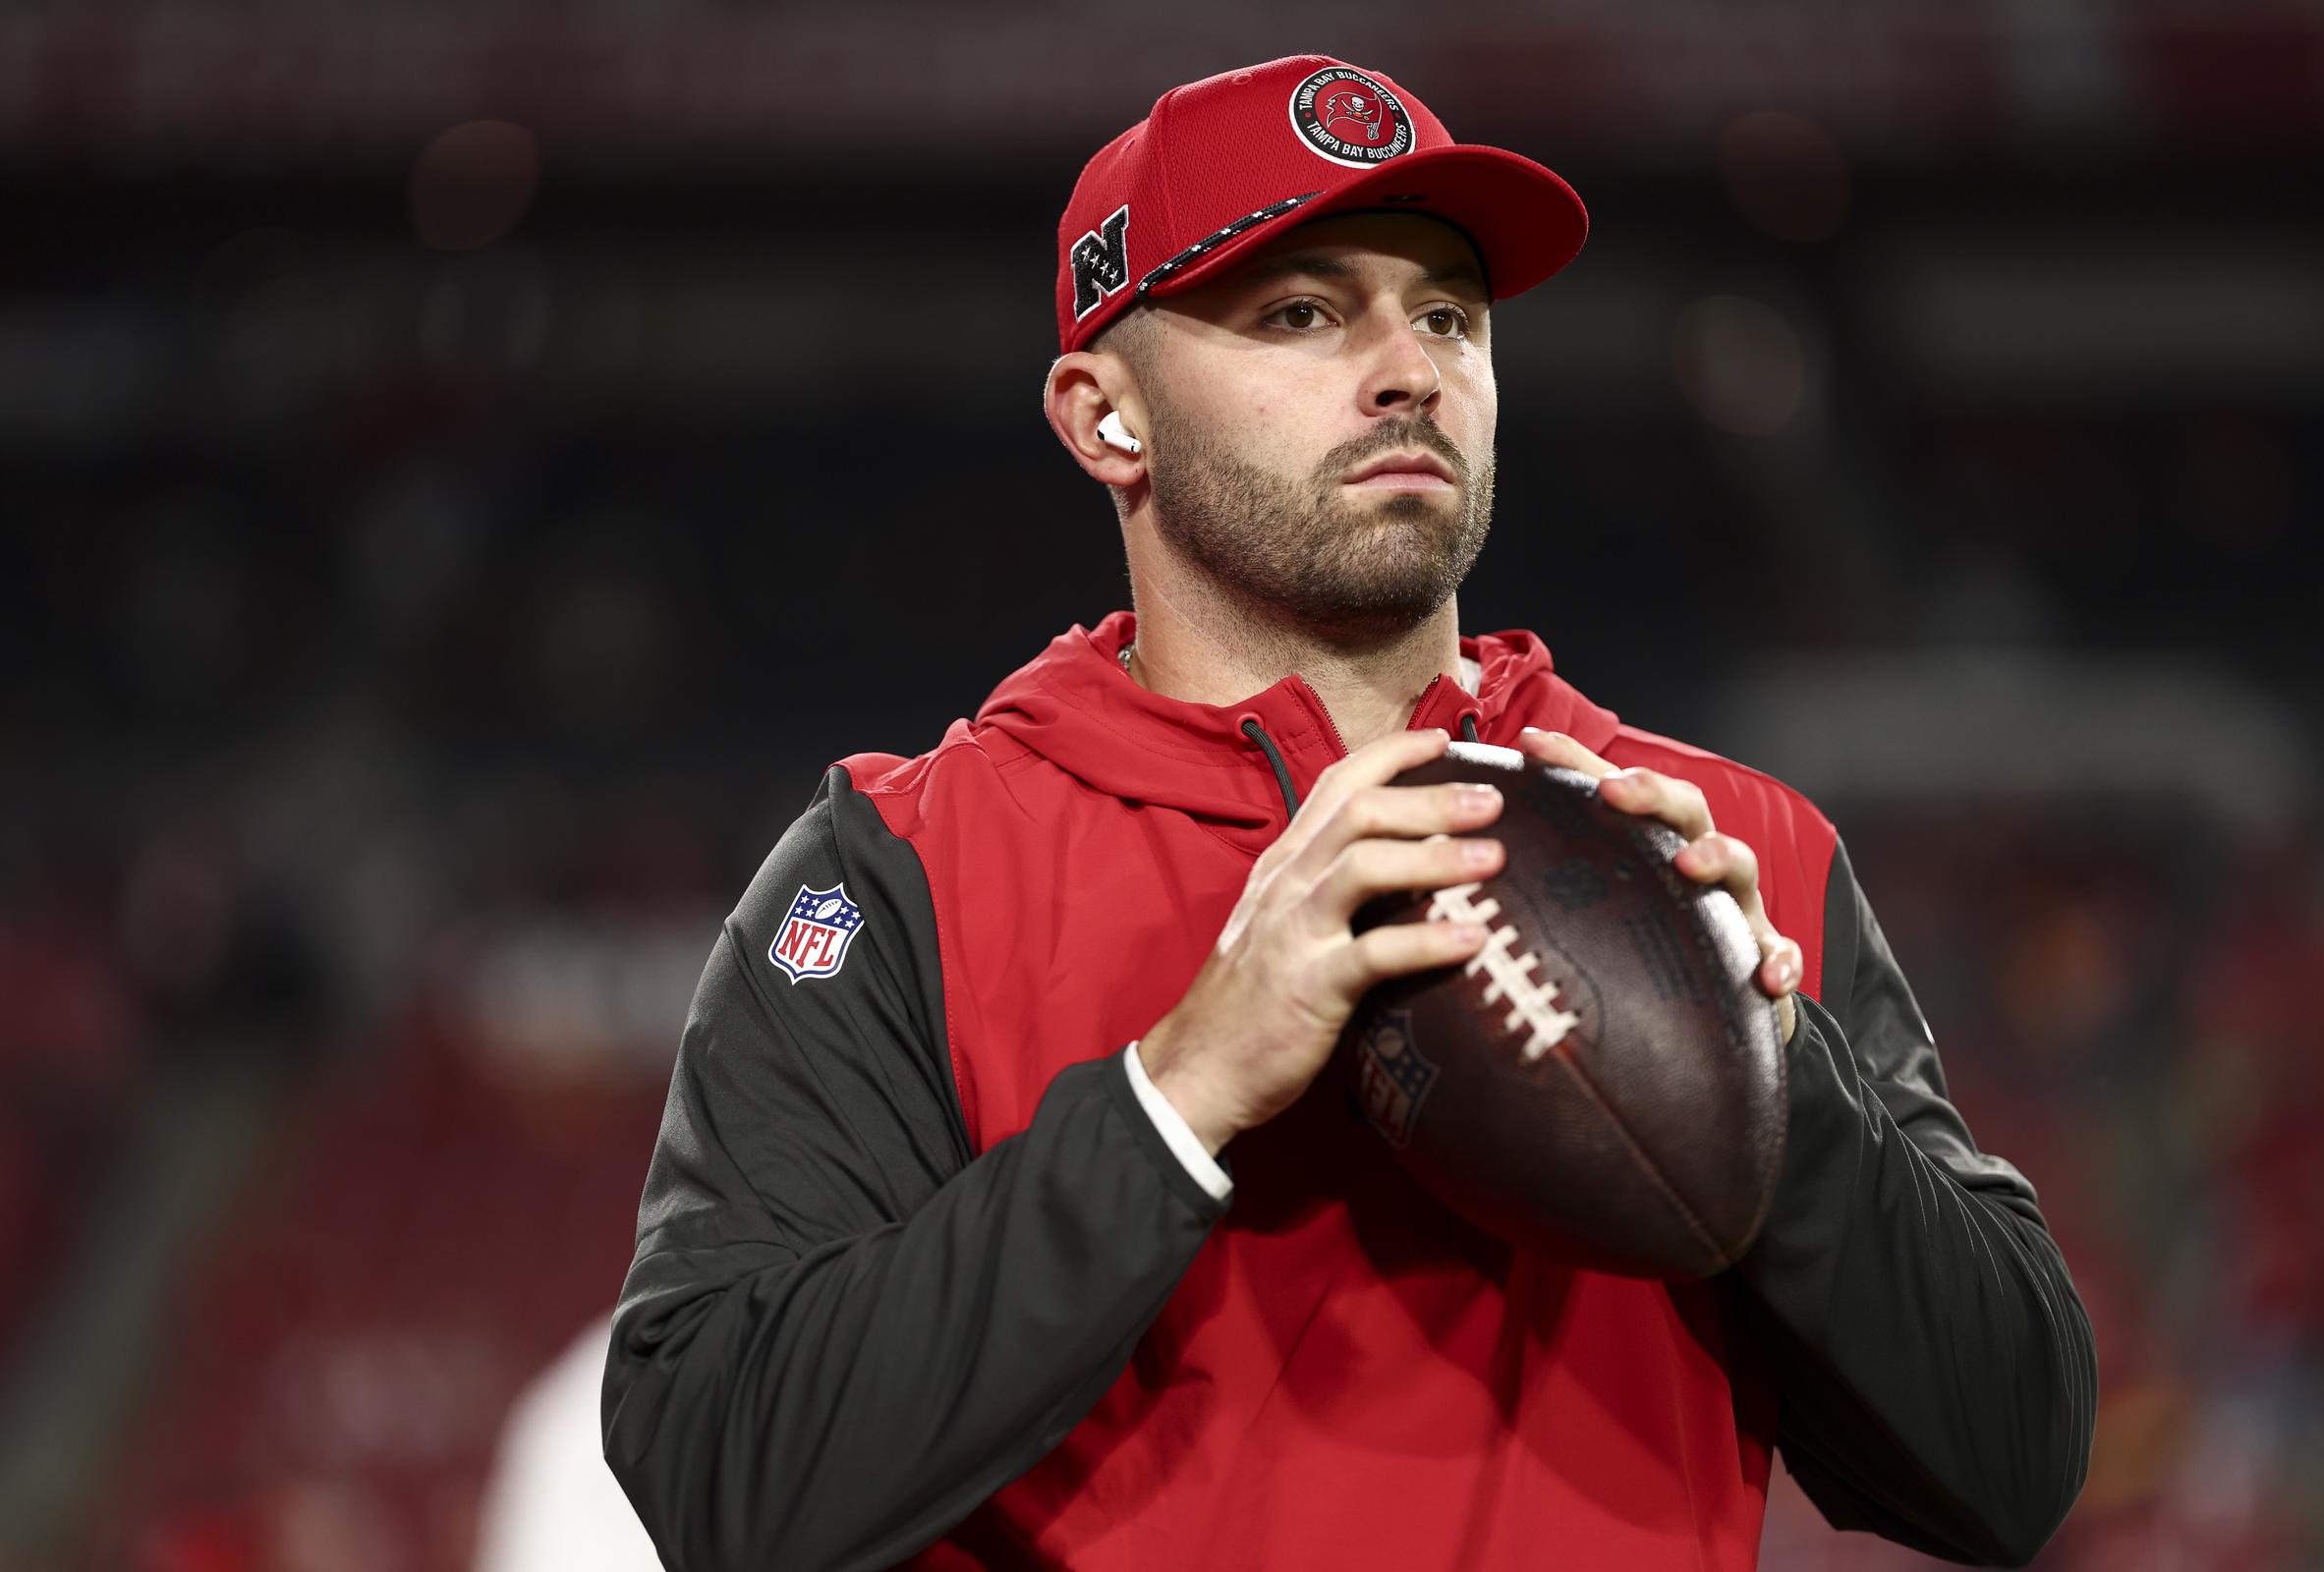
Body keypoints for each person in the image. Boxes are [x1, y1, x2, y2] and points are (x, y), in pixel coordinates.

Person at [601, 55, 2096, 1571]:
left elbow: (2012, 1460)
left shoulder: (1732, 846)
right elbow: (726, 1479)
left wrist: (1769, 1070)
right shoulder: (901, 870)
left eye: (1448, 314)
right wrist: (1175, 1097)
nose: (1409, 368)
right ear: (1104, 417)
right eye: (1303, 313)